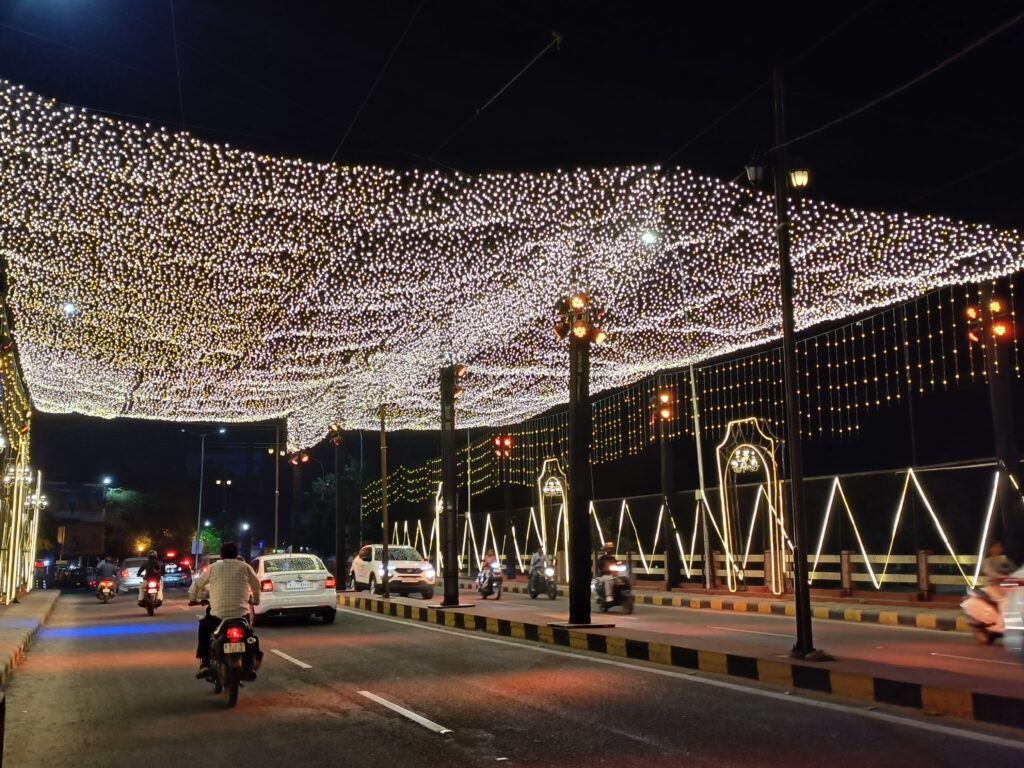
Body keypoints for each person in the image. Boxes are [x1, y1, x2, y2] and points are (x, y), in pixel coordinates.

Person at [187, 541, 261, 678]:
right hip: (241, 615)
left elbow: (197, 584)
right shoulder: (245, 567)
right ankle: (250, 666)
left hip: (218, 616)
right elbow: (256, 585)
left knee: (204, 627)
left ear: (221, 555)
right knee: (249, 637)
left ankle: (205, 662)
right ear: (236, 554)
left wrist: (193, 599)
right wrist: (255, 600)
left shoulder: (213, 568)